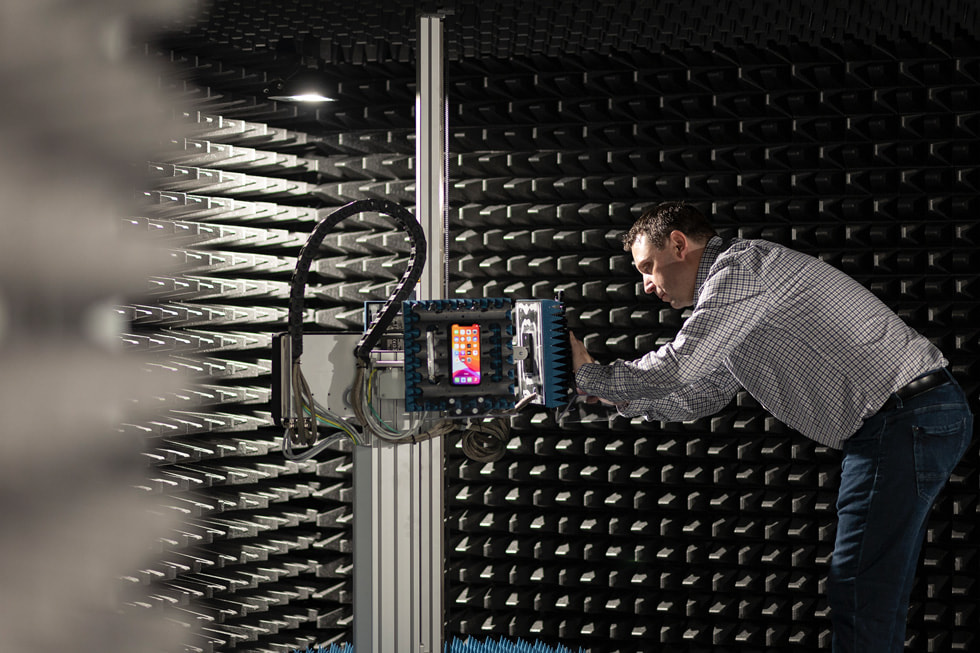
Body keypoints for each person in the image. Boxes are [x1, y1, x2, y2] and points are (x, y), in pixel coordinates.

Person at [569, 201, 973, 653]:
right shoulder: (735, 302)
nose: (646, 285)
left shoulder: (740, 268)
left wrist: (590, 375)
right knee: (876, 588)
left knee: (859, 585)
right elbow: (698, 395)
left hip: (903, 418)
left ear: (679, 244)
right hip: (912, 417)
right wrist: (617, 398)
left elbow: (680, 366)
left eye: (647, 267)